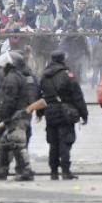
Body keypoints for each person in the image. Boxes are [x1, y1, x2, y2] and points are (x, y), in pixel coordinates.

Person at [38, 51, 88, 180]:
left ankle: (53, 172)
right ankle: (66, 171)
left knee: (53, 143)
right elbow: (77, 95)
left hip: (50, 111)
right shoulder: (67, 74)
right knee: (65, 141)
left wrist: (39, 112)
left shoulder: (44, 75)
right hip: (65, 111)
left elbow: (39, 95)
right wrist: (84, 114)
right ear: (63, 59)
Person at [0, 51, 37, 181]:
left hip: (15, 117)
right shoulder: (27, 77)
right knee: (6, 144)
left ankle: (25, 171)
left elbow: (8, 99)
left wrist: (1, 114)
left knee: (17, 143)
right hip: (22, 116)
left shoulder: (12, 78)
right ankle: (2, 170)